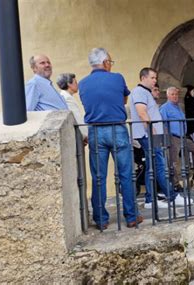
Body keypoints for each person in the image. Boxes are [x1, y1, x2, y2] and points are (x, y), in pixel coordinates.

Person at [79, 47, 142, 229]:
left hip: (95, 131)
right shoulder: (117, 78)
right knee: (126, 174)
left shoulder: (82, 83)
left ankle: (101, 219)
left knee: (98, 176)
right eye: (110, 62)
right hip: (117, 129)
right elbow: (123, 100)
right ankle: (131, 216)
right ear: (106, 62)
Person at [129, 67, 191, 209]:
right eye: (152, 78)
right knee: (160, 165)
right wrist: (152, 130)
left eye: (155, 78)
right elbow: (141, 112)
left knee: (152, 166)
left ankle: (150, 200)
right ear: (143, 78)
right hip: (148, 135)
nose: (155, 80)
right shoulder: (139, 92)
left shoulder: (145, 92)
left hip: (150, 134)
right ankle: (172, 196)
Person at [160, 87, 194, 191]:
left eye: (176, 94)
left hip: (182, 136)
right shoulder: (164, 107)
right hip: (173, 137)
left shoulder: (178, 107)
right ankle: (175, 184)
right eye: (173, 94)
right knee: (173, 161)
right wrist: (167, 137)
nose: (175, 96)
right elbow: (163, 123)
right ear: (168, 95)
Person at [56, 73, 87, 139]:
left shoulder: (64, 96)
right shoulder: (67, 98)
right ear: (69, 84)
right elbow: (77, 118)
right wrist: (85, 135)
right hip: (75, 136)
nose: (77, 85)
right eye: (75, 82)